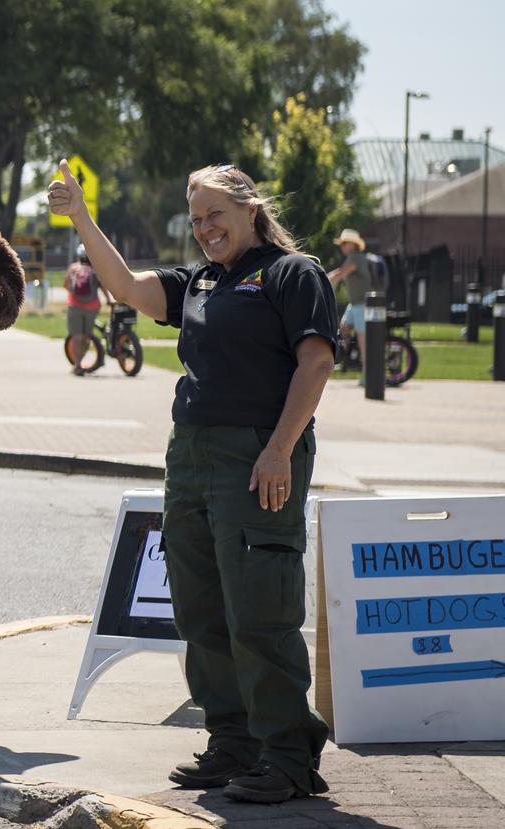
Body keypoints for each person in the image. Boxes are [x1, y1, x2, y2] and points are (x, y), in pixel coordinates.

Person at [49, 161, 337, 804]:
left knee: (261, 609)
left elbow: (315, 362)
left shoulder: (293, 274)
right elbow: (125, 286)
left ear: (250, 208)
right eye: (197, 217)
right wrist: (81, 219)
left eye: (217, 215)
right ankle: (233, 741)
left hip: (258, 455)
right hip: (191, 458)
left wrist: (279, 450)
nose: (206, 228)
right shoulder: (202, 280)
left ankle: (288, 755)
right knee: (201, 609)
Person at [325, 229, 373, 381]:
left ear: (353, 244)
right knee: (343, 328)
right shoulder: (352, 257)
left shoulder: (357, 258)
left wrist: (323, 281)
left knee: (363, 339)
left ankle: (368, 374)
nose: (342, 246)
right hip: (354, 304)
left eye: (345, 243)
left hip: (362, 305)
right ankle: (349, 358)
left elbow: (341, 273)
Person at [64, 244, 110, 375]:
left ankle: (78, 365)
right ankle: (80, 363)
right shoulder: (96, 269)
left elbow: (66, 285)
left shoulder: (73, 268)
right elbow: (103, 286)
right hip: (92, 307)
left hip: (75, 306)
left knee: (76, 336)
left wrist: (75, 293)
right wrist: (108, 300)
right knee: (86, 337)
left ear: (78, 255)